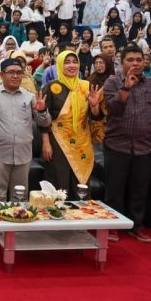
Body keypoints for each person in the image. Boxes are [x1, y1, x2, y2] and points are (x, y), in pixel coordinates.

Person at [102, 45, 151, 243]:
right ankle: (112, 227)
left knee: (140, 190)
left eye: (139, 59)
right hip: (117, 144)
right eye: (131, 59)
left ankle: (136, 226)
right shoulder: (112, 81)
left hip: (144, 146)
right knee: (115, 189)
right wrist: (126, 87)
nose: (136, 63)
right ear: (121, 62)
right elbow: (112, 108)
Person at [0, 58, 51, 201]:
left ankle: (17, 223)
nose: (15, 76)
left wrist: (42, 111)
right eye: (11, 72)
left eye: (19, 72)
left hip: (23, 154)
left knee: (20, 196)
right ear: (2, 75)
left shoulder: (30, 96)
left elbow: (45, 123)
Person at [40, 51, 103, 195]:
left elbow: (96, 117)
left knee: (80, 182)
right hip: (57, 141)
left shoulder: (86, 86)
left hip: (82, 141)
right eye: (67, 62)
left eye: (74, 62)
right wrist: (45, 143)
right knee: (59, 183)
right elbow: (43, 119)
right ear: (60, 65)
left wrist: (94, 106)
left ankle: (80, 215)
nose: (72, 65)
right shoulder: (51, 87)